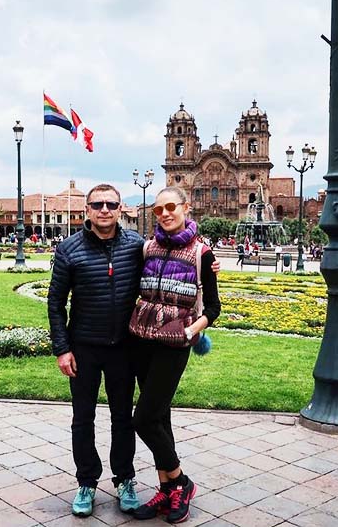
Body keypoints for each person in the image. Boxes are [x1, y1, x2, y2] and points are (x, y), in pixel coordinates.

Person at [48, 184, 144, 517]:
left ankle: (125, 479)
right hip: (84, 348)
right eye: (98, 204)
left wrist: (208, 265)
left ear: (120, 208)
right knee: (82, 418)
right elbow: (56, 303)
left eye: (111, 204)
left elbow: (173, 258)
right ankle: (86, 481)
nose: (105, 209)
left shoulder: (136, 246)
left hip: (123, 348)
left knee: (123, 418)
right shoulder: (69, 249)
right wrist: (62, 349)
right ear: (87, 209)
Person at [129, 186, 220, 524]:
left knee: (143, 419)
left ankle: (181, 481)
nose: (165, 214)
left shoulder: (202, 253)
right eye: (158, 210)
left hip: (173, 345)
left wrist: (190, 332)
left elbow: (213, 307)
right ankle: (167, 490)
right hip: (142, 341)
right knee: (160, 417)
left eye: (170, 207)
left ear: (185, 207)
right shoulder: (147, 248)